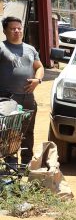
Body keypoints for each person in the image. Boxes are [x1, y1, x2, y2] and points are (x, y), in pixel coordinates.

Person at [0, 16, 44, 164]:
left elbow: (39, 67)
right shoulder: (1, 48)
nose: (17, 31)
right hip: (8, 99)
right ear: (5, 31)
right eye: (12, 29)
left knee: (27, 132)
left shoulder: (30, 49)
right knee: (10, 132)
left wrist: (37, 80)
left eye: (19, 28)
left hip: (28, 98)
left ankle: (26, 163)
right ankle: (10, 164)